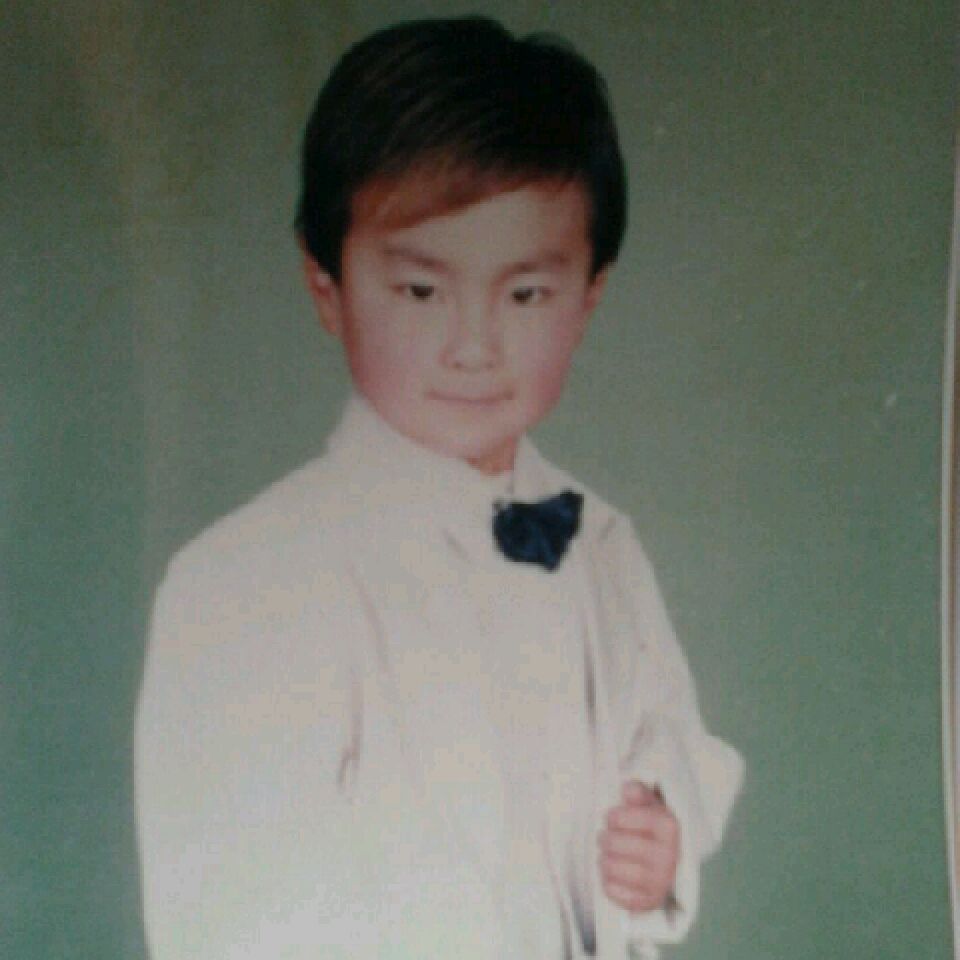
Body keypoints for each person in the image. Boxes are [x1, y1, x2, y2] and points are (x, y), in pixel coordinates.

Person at [135, 16, 742, 960]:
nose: (473, 346)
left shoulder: (601, 545)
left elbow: (666, 743)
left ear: (589, 297)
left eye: (526, 294)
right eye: (422, 292)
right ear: (327, 287)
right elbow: (222, 904)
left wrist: (659, 845)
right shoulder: (245, 581)